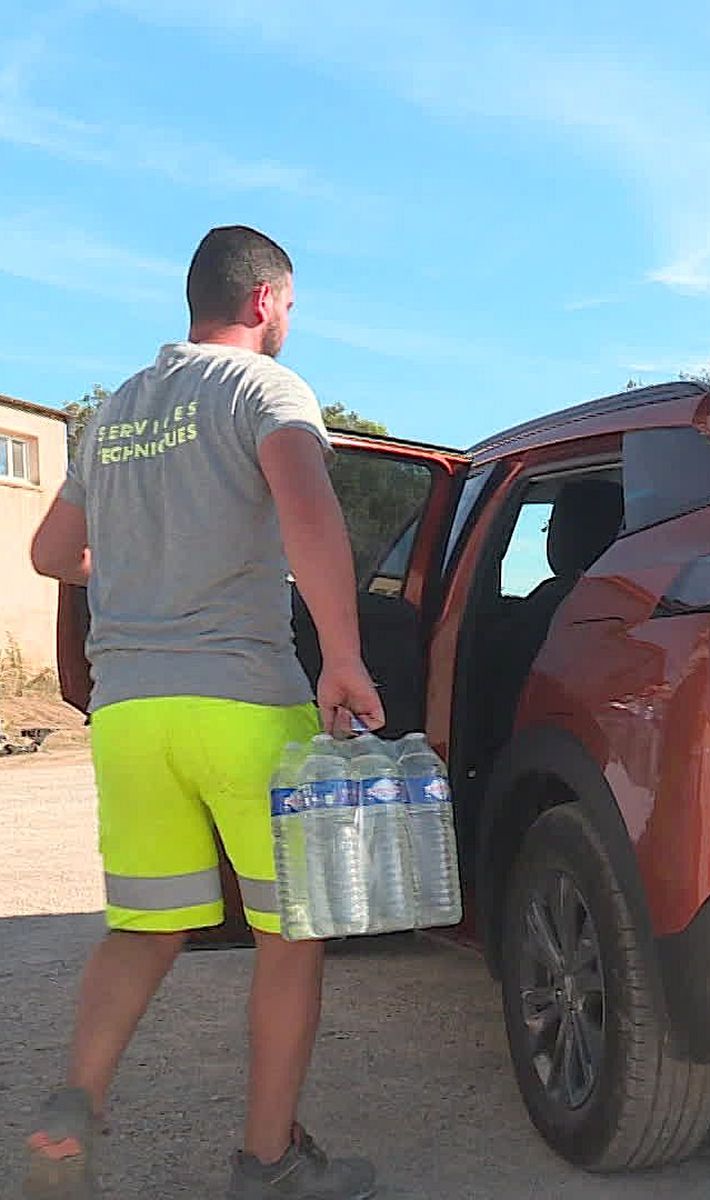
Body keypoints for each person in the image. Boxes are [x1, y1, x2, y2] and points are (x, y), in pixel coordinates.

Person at [25, 225, 384, 1199]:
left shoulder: (116, 414)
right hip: (242, 702)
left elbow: (51, 556)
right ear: (266, 301)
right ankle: (267, 1161)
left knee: (144, 928)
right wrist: (343, 656)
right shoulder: (265, 390)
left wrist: (134, 568)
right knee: (290, 934)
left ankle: (73, 1106)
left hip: (132, 713)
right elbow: (307, 508)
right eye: (292, 308)